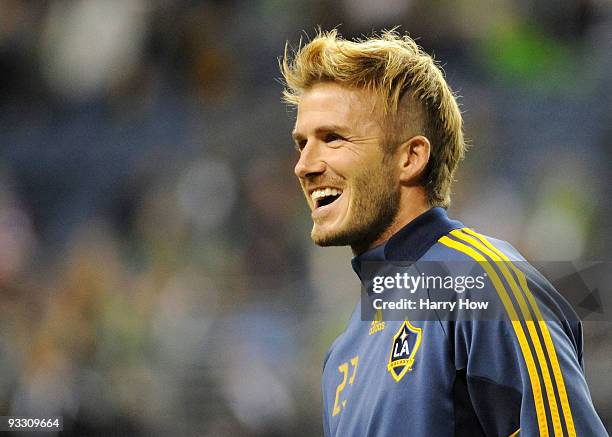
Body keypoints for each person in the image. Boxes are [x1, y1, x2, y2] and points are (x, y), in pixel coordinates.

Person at [280, 30, 608, 437]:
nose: (304, 165)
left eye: (333, 138)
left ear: (410, 158)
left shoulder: (482, 280)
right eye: (301, 143)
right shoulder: (343, 352)